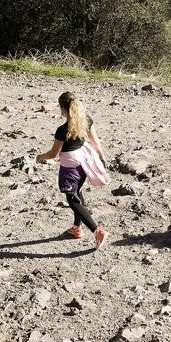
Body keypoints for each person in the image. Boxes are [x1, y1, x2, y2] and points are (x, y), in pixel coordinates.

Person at [36, 91, 109, 248]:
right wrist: (102, 159)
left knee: (72, 199)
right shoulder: (86, 120)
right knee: (77, 193)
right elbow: (95, 141)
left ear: (63, 108)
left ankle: (97, 231)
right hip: (84, 162)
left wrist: (40, 157)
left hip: (69, 166)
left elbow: (53, 154)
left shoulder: (62, 130)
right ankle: (77, 228)